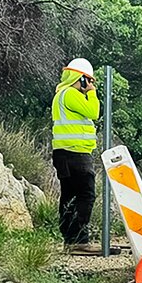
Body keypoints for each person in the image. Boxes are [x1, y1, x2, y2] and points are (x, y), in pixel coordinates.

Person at [51, 58, 100, 254]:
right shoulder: (71, 93)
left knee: (69, 197)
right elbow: (94, 111)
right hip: (76, 153)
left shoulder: (60, 94)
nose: (89, 84)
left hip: (64, 153)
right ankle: (80, 239)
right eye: (87, 80)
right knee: (85, 195)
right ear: (79, 78)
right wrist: (93, 93)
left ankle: (70, 240)